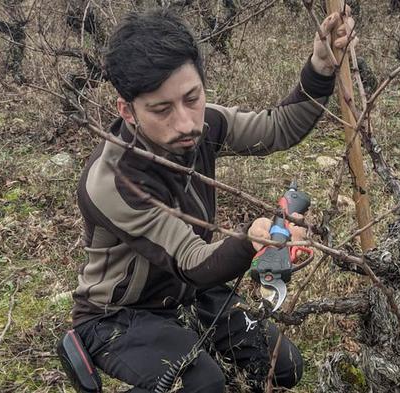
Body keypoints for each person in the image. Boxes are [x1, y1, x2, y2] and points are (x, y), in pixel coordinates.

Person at [71, 6, 353, 393]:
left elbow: (277, 128)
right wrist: (251, 239)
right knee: (201, 383)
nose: (186, 123)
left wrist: (320, 67)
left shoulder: (204, 125)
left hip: (195, 294)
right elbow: (190, 260)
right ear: (128, 111)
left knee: (280, 367)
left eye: (192, 98)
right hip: (119, 315)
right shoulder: (114, 181)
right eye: (161, 109)